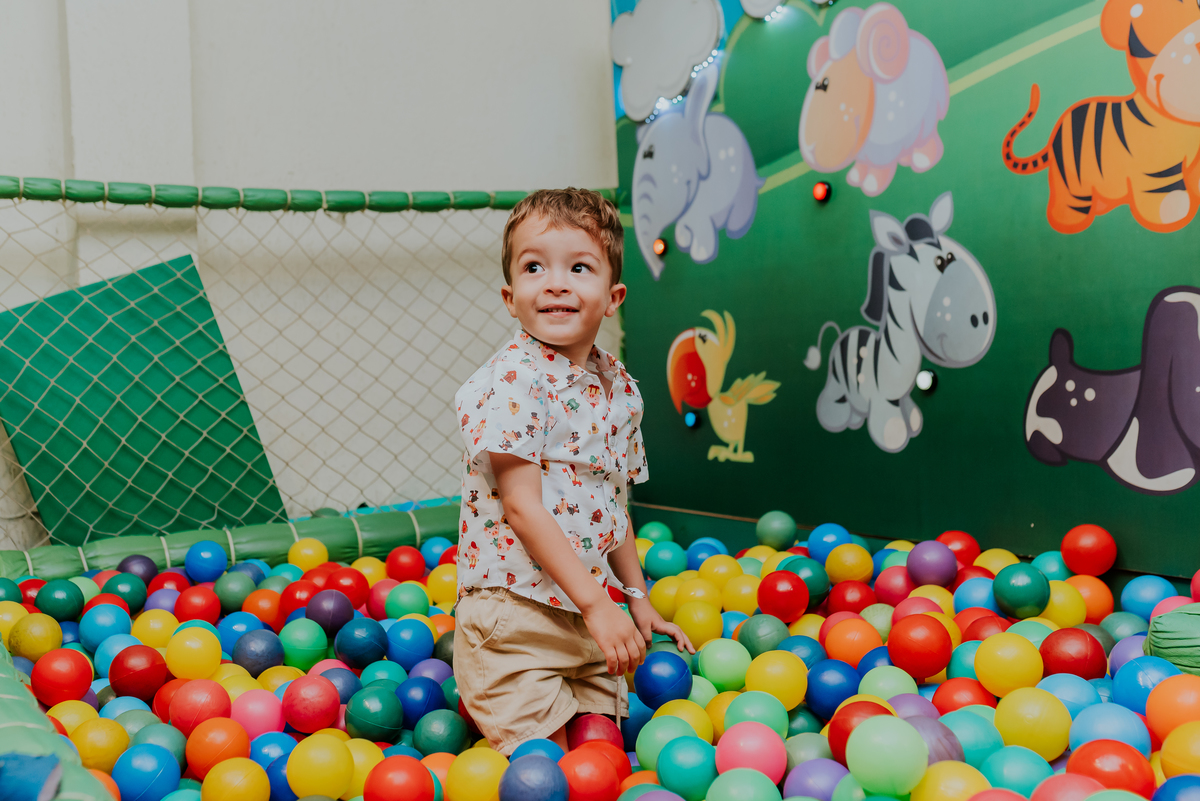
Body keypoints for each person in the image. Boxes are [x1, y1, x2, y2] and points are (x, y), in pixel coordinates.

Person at [452, 188, 693, 755]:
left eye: (578, 267)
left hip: (586, 618)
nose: (556, 283)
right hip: (516, 618)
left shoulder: (619, 390)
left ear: (613, 297)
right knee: (548, 767)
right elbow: (521, 505)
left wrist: (636, 598)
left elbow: (613, 505)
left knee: (603, 755)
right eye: (535, 267)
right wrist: (599, 605)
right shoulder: (514, 382)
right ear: (511, 298)